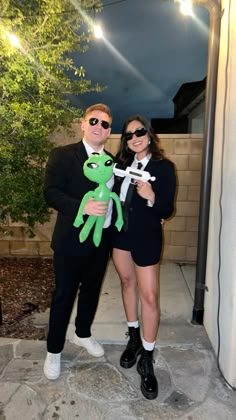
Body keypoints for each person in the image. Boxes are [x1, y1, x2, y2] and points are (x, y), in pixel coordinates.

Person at [43, 103, 114, 380]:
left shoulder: (112, 162)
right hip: (70, 242)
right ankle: (54, 350)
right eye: (94, 121)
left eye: (105, 124)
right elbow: (50, 193)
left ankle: (82, 333)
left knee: (91, 291)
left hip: (100, 241)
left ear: (109, 132)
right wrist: (81, 207)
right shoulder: (62, 155)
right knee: (63, 295)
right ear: (83, 124)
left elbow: (119, 197)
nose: (99, 126)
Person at [112, 115, 176, 400]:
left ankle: (147, 356)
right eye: (128, 135)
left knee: (149, 296)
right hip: (120, 234)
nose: (134, 137)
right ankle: (134, 336)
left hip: (147, 237)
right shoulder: (121, 165)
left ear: (149, 134)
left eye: (139, 132)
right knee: (127, 284)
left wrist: (151, 196)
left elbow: (166, 210)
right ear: (125, 140)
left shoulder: (164, 168)